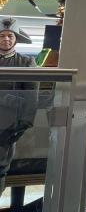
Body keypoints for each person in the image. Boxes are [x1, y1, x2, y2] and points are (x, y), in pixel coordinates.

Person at [0, 17, 38, 196]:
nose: (6, 39)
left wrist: (15, 131)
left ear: (16, 39)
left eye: (10, 36)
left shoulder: (26, 63)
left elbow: (31, 103)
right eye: (2, 35)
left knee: (0, 170)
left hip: (6, 130)